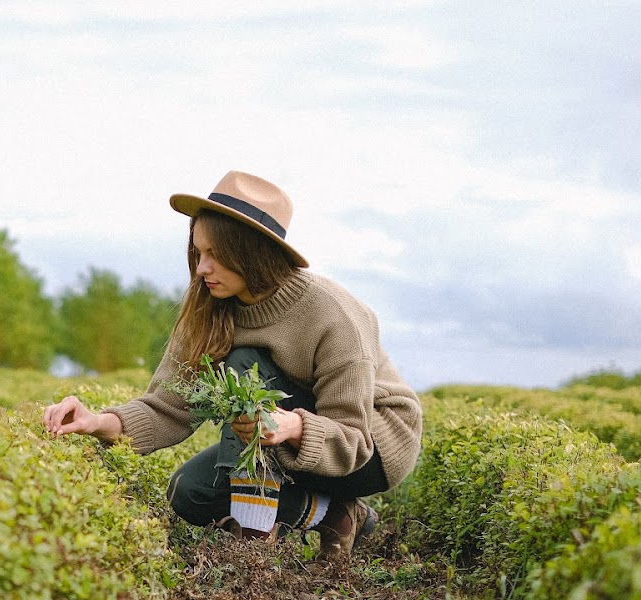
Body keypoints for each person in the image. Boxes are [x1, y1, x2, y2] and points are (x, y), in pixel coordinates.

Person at [43, 170, 423, 561]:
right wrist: (96, 421)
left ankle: (250, 545)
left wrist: (292, 426)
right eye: (198, 253)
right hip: (289, 437)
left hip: (371, 445)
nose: (202, 268)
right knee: (190, 491)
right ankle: (338, 515)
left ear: (253, 252)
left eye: (216, 255)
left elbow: (353, 441)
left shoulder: (333, 314)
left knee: (244, 363)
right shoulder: (208, 306)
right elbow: (169, 406)